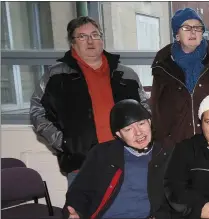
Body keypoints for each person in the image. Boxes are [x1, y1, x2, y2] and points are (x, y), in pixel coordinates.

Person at [29, 16, 149, 186]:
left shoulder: (126, 75)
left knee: (131, 210)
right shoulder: (55, 77)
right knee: (85, 211)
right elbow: (37, 113)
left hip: (127, 160)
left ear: (102, 39)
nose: (90, 41)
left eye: (95, 35)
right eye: (82, 36)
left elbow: (144, 109)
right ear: (73, 42)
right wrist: (63, 142)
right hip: (82, 164)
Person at [151, 8, 209, 149]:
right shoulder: (163, 67)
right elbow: (156, 110)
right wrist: (162, 144)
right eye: (186, 27)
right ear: (177, 35)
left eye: (197, 27)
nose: (193, 32)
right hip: (177, 147)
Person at [63, 99, 171, 219]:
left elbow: (177, 199)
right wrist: (76, 212)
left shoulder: (166, 154)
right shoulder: (103, 154)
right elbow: (80, 191)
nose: (138, 133)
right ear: (119, 134)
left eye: (141, 124)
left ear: (149, 122)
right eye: (128, 129)